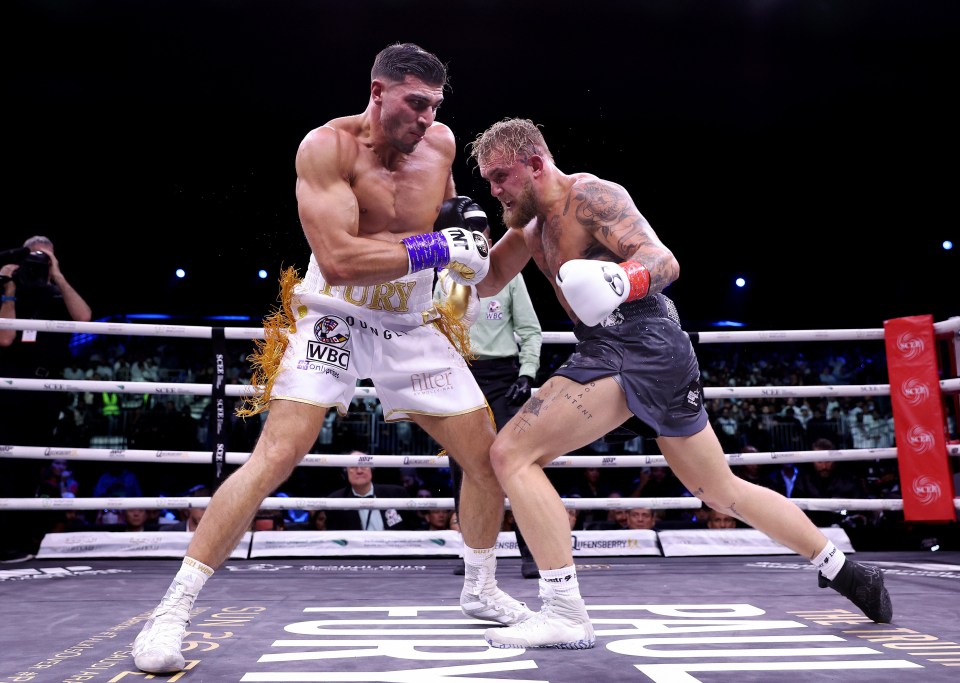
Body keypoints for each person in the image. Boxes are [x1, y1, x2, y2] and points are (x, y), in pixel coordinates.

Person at [131, 43, 531, 674]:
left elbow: (450, 216)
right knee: (276, 456)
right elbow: (343, 259)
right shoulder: (327, 149)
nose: (426, 118)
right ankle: (171, 611)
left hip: (410, 320)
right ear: (377, 92)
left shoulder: (444, 144)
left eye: (434, 106)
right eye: (414, 103)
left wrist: (467, 244)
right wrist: (435, 246)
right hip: (335, 313)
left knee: (487, 459)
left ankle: (480, 588)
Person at [467, 117, 892, 650]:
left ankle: (563, 611)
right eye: (488, 181)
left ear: (535, 164)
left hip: (641, 343)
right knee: (718, 490)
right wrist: (448, 249)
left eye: (501, 177)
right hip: (621, 350)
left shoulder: (592, 196)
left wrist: (621, 279)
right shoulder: (529, 228)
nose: (495, 190)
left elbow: (662, 260)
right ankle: (846, 570)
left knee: (511, 454)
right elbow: (485, 280)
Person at [434, 206, 543, 577]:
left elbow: (530, 331)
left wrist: (527, 374)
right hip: (459, 374)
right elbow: (433, 333)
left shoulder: (509, 278)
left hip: (504, 378)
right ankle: (474, 556)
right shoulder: (443, 279)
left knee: (516, 462)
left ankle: (533, 553)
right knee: (462, 466)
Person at [0, 236, 92, 561]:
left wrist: (59, 276)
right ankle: (5, 541)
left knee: (33, 467)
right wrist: (8, 286)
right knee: (6, 465)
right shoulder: (10, 290)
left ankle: (22, 542)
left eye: (46, 256)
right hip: (11, 390)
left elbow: (84, 319)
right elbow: (6, 336)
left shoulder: (58, 293)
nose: (38, 262)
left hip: (47, 390)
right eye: (33, 256)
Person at [324, 463, 421, 531]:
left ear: (371, 470)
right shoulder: (335, 501)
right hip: (356, 557)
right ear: (345, 472)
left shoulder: (396, 493)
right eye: (353, 467)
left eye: (364, 466)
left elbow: (415, 527)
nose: (359, 471)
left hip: (396, 555)